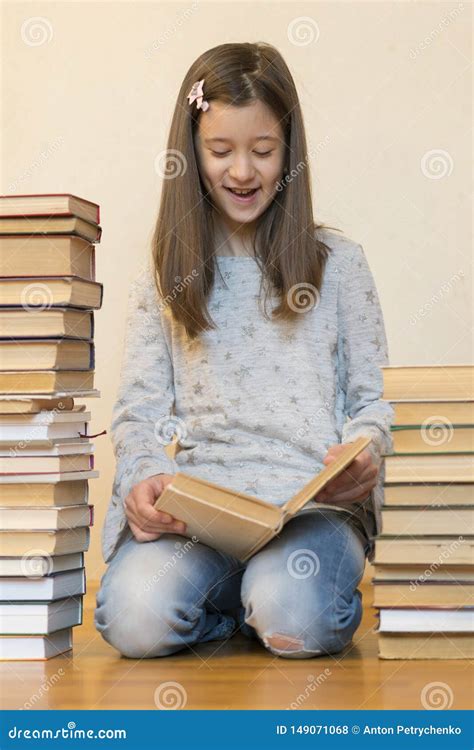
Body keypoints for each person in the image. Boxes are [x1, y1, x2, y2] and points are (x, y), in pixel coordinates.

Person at [95, 41, 394, 660]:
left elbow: (374, 402)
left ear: (289, 152)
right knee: (134, 619)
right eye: (220, 151)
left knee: (296, 617)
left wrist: (366, 454)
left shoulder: (339, 265)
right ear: (191, 152)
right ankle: (233, 614)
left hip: (309, 513)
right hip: (201, 516)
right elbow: (139, 413)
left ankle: (266, 603)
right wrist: (145, 476)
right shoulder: (165, 274)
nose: (241, 172)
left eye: (262, 151)